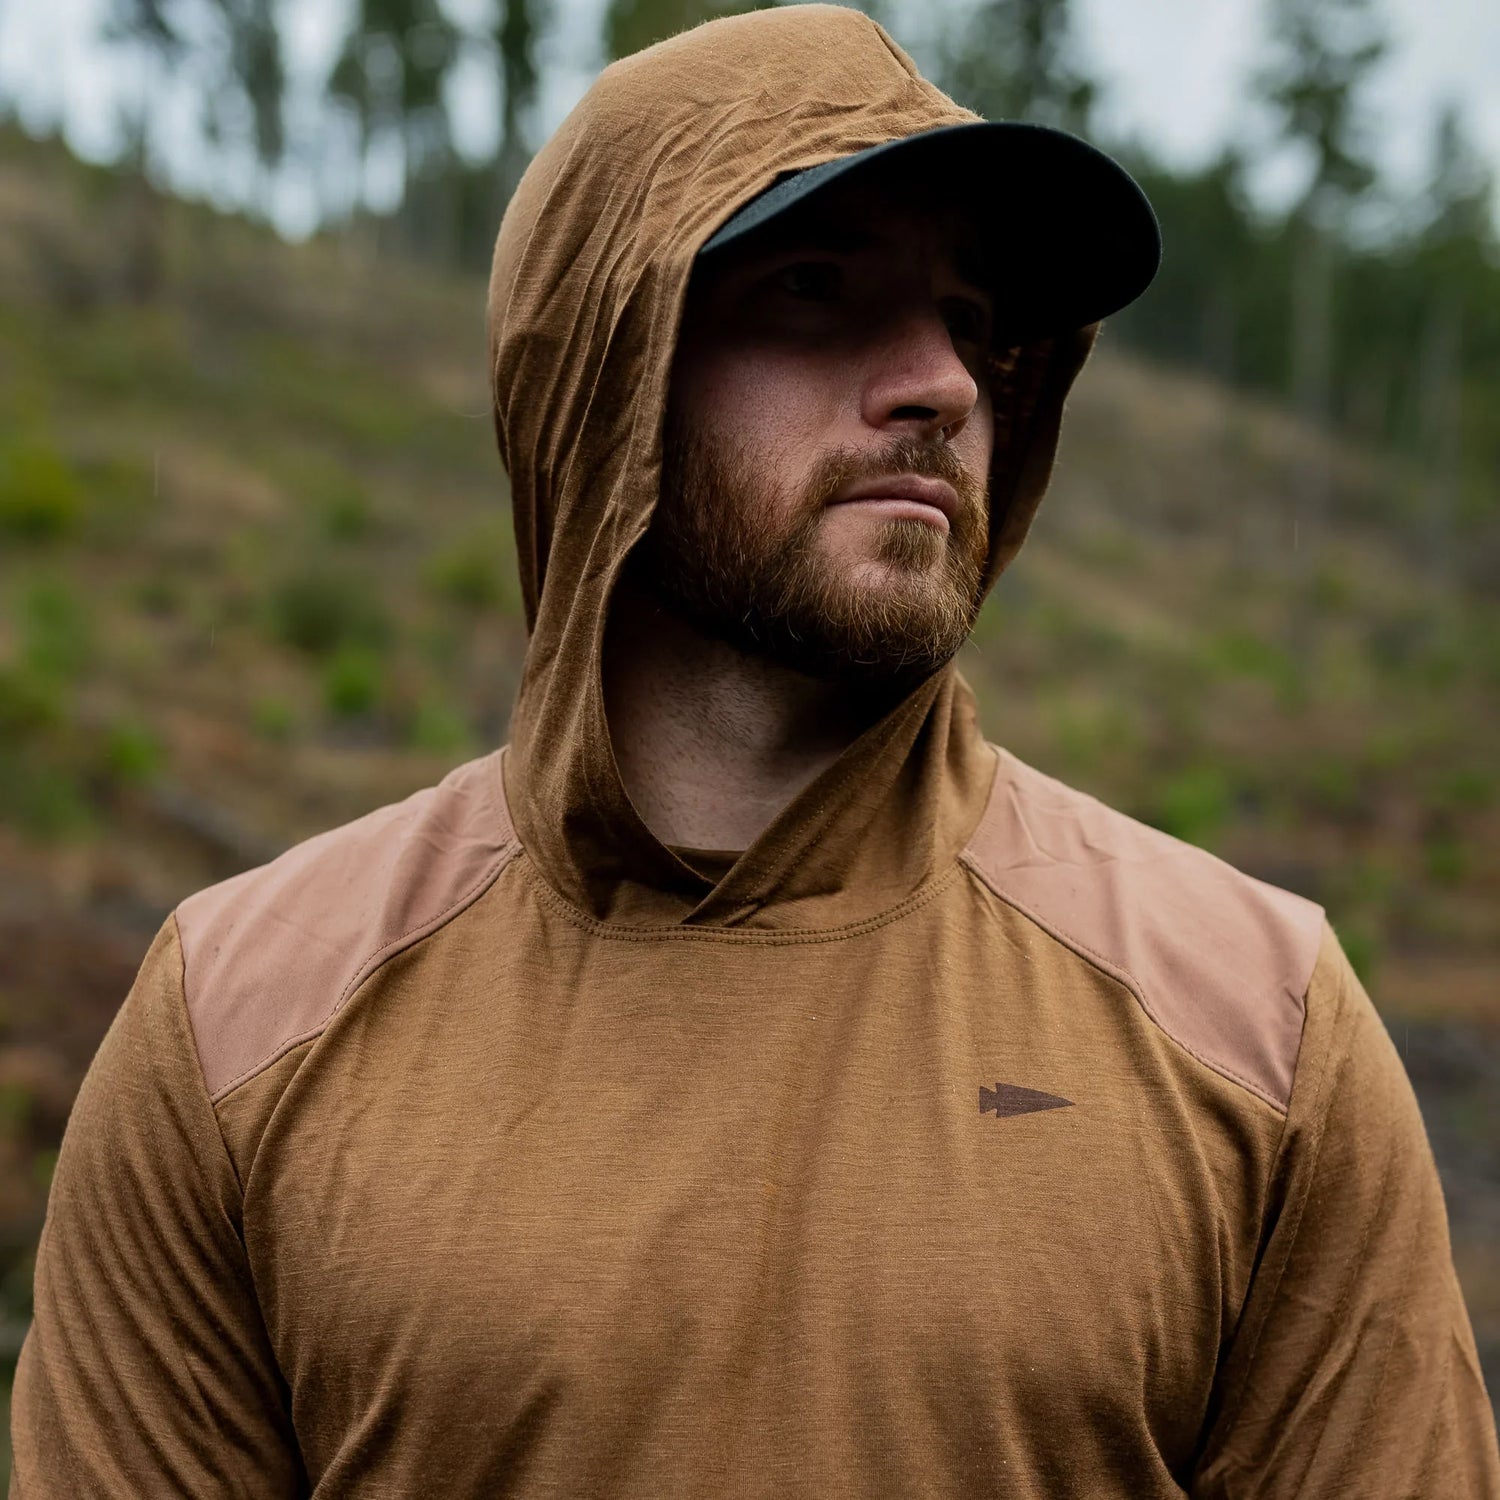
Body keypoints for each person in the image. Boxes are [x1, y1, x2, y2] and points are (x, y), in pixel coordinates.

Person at [11, 5, 1499, 1495]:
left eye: (977, 325)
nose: (947, 383)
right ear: (603, 377)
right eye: (812, 286)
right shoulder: (238, 1025)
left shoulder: (1254, 1024)